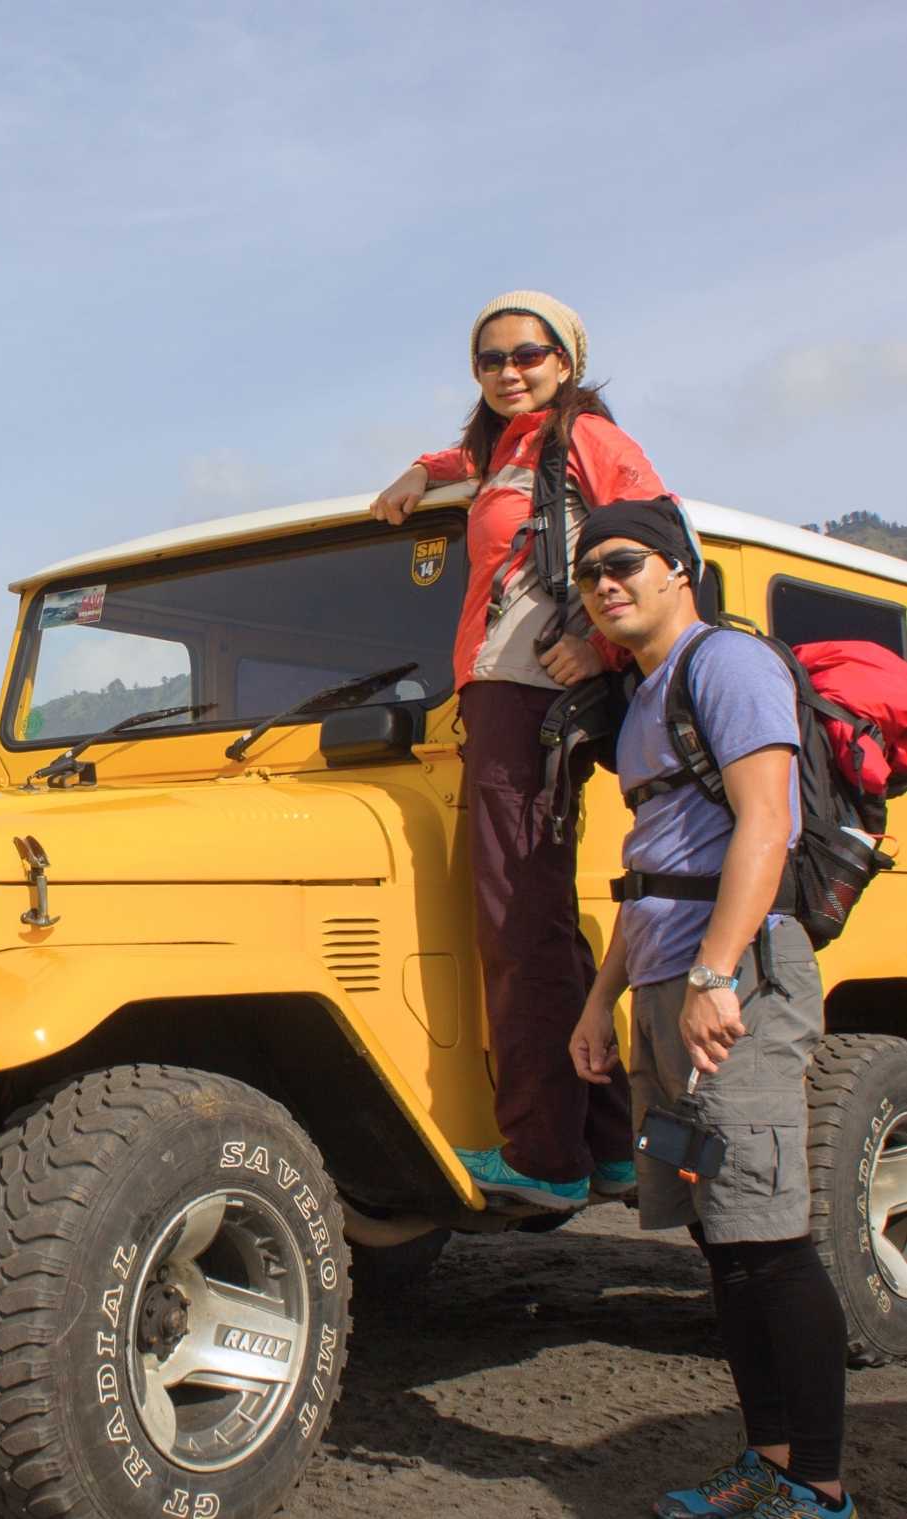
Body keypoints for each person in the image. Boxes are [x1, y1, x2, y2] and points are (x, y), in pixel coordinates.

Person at [567, 499, 855, 1518]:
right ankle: (768, 1461)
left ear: (677, 568)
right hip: (666, 987)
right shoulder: (643, 697)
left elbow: (766, 824)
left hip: (734, 987)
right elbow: (649, 870)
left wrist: (715, 975)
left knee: (768, 1241)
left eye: (623, 562)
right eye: (588, 572)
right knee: (720, 1242)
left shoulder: (724, 664)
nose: (604, 583)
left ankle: (816, 1486)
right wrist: (601, 1003)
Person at [371, 290, 663, 1209]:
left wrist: (601, 644)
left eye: (527, 354)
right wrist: (420, 470)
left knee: (513, 921)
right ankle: (606, 1144)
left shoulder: (588, 439)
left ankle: (542, 1156)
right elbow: (461, 460)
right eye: (489, 358)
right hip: (501, 690)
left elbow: (660, 543)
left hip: (527, 693)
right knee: (543, 921)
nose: (508, 371)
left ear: (565, 360)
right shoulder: (504, 451)